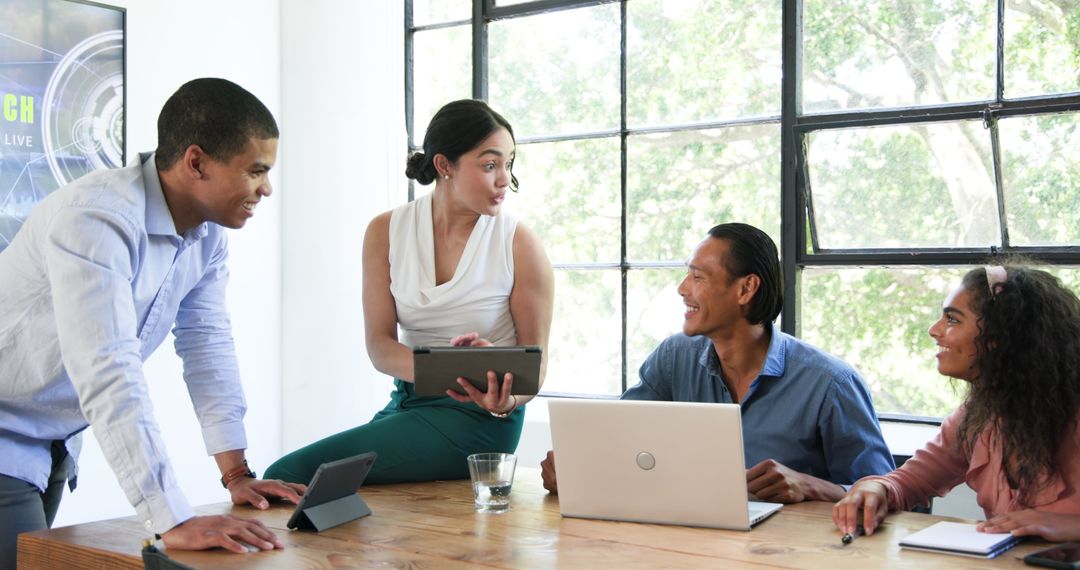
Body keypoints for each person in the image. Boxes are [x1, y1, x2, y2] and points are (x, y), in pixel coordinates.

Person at [0, 78, 306, 566]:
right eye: (256, 171)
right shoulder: (96, 219)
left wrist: (236, 475)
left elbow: (207, 343)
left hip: (53, 441)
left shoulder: (207, 236)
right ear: (196, 163)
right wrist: (171, 518)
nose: (266, 189)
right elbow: (108, 368)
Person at [264, 99, 554, 485]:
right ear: (444, 165)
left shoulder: (519, 243)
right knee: (319, 487)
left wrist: (505, 399)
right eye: (490, 165)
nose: (504, 179)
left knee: (286, 474)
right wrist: (454, 368)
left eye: (509, 164)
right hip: (405, 404)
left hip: (481, 419)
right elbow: (380, 347)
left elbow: (535, 366)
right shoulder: (385, 232)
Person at [541, 223, 894, 503]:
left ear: (746, 289)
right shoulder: (674, 358)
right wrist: (579, 468)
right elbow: (620, 442)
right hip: (686, 545)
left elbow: (886, 494)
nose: (682, 288)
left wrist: (810, 486)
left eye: (698, 277)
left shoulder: (831, 384)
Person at [834, 263, 1080, 541]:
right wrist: (879, 489)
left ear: (1002, 334)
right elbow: (911, 480)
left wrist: (1069, 525)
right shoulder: (978, 414)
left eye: (952, 319)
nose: (933, 330)